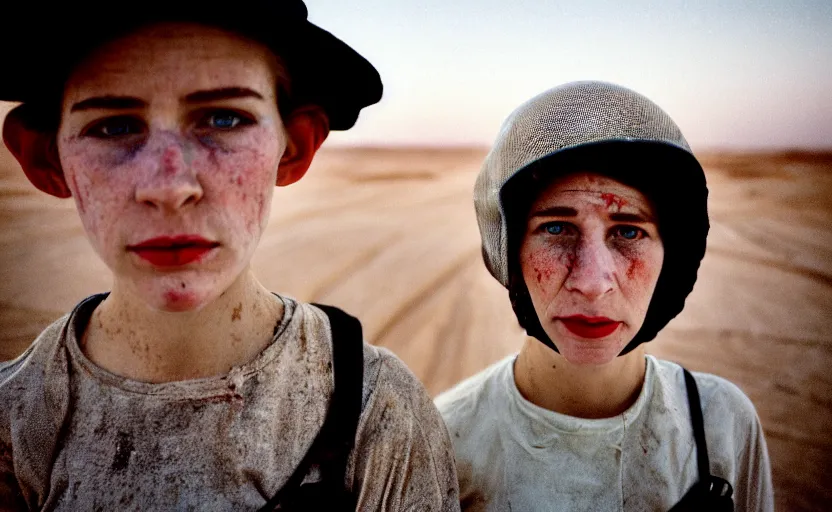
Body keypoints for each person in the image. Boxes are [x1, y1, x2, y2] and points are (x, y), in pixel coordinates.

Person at [0, 2, 459, 510]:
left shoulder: (378, 410)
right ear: (46, 159)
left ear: (293, 147)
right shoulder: (11, 428)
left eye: (224, 119)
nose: (170, 186)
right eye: (113, 127)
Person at [435, 81, 773, 511]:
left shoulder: (722, 425)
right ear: (508, 250)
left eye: (629, 231)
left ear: (671, 257)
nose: (592, 283)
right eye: (555, 228)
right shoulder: (445, 440)